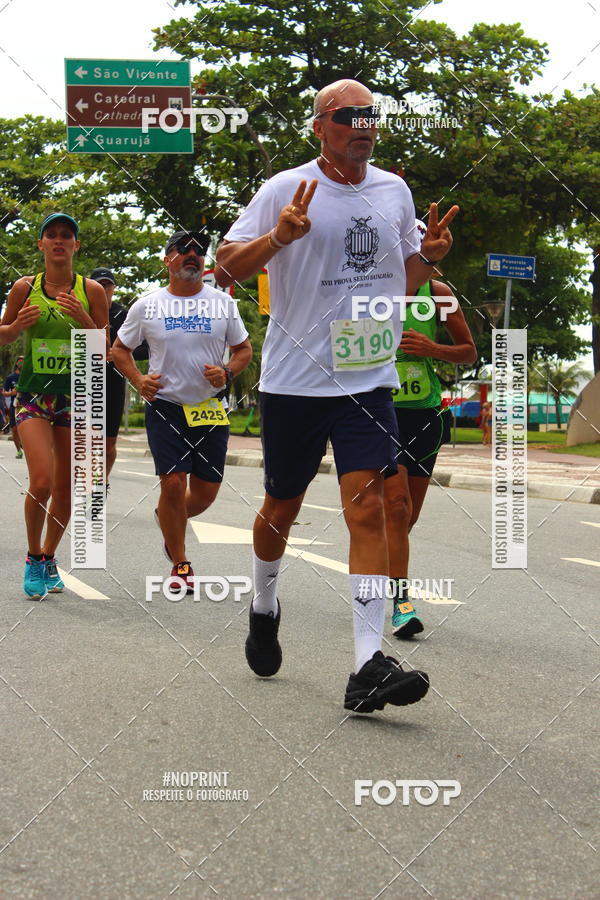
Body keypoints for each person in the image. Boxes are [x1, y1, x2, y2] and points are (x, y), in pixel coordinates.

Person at [216, 78, 458, 714]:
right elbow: (226, 267)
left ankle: (367, 665)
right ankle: (264, 604)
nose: (363, 125)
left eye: (371, 115)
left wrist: (429, 259)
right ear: (320, 126)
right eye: (349, 115)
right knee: (282, 507)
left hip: (367, 378)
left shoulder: (394, 191)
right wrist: (278, 239)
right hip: (295, 381)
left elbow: (399, 282)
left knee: (370, 507)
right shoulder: (285, 188)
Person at [111, 230, 252, 591]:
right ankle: (181, 563)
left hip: (210, 407)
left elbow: (243, 350)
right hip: (166, 406)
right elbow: (119, 350)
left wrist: (228, 372)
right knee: (173, 483)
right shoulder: (147, 305)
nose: (193, 254)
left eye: (199, 250)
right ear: (167, 259)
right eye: (183, 248)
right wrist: (138, 380)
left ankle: (168, 519)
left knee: (205, 494)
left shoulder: (222, 304)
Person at [0, 213, 108, 600]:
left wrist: (83, 319)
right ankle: (33, 557)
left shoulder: (91, 290)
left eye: (66, 235)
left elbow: (106, 348)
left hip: (75, 397)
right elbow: (3, 334)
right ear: (42, 244)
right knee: (42, 482)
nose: (59, 240)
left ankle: (49, 556)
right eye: (52, 235)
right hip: (33, 396)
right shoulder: (24, 287)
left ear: (76, 245)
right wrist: (15, 329)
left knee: (65, 489)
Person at [385, 221, 477, 638]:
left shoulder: (438, 294)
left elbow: (468, 352)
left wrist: (432, 348)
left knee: (407, 517)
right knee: (396, 507)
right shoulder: (372, 290)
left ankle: (381, 567)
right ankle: (401, 604)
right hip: (379, 411)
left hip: (424, 414)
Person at [90, 267, 149, 487]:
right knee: (82, 442)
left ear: (113, 288)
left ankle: (101, 482)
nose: (103, 289)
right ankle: (80, 484)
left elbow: (146, 348)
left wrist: (118, 355)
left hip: (113, 384)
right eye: (98, 285)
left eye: (107, 285)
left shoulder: (123, 315)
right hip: (82, 382)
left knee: (107, 444)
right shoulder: (80, 310)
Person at [3, 355, 24, 457]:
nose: (21, 363)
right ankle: (19, 451)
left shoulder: (29, 377)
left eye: (24, 362)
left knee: (24, 428)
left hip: (27, 405)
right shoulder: (10, 377)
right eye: (20, 361)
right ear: (16, 363)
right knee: (15, 429)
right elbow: (4, 392)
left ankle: (24, 444)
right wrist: (12, 393)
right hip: (14, 405)